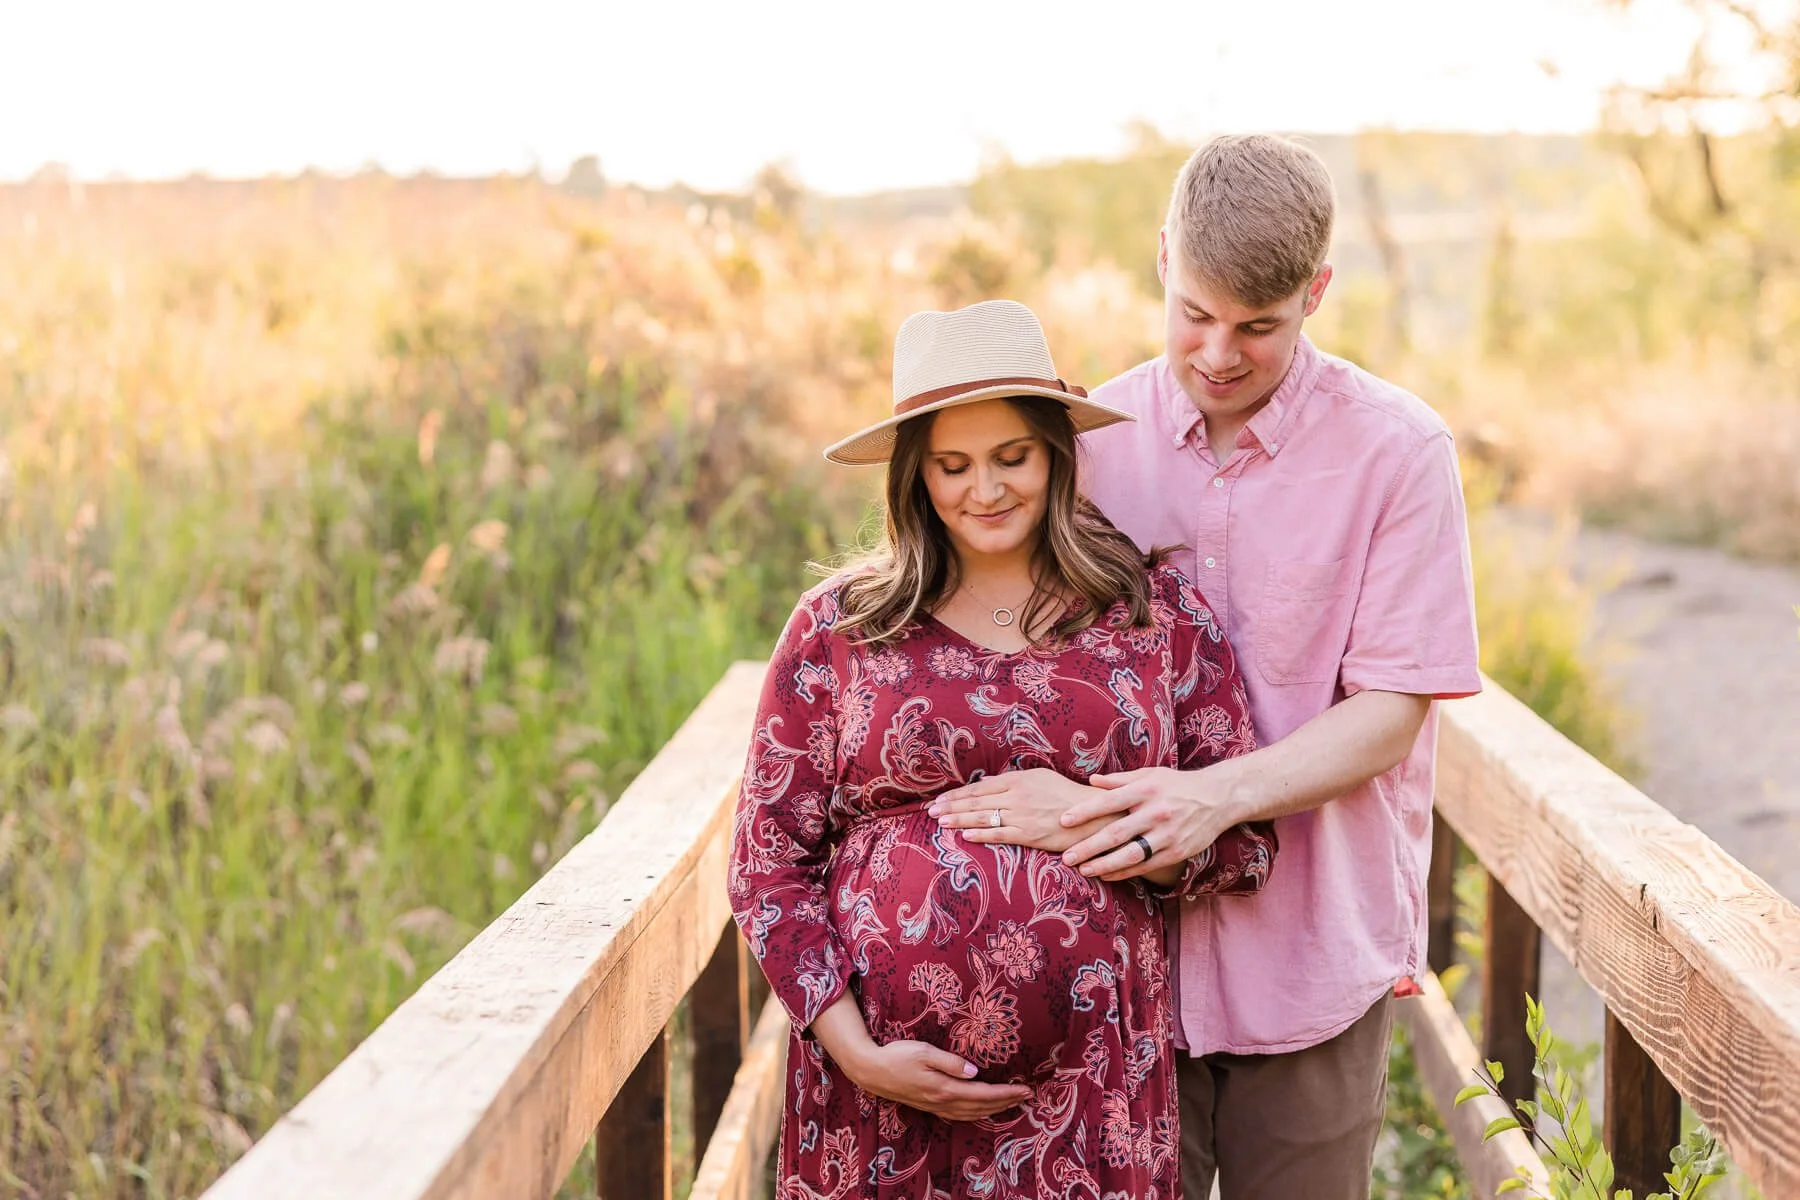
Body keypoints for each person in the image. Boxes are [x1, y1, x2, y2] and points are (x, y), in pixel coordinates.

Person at [931, 135, 1482, 1199]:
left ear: (1317, 293)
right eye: (1196, 313)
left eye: (1259, 327)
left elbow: (1391, 713)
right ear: (1161, 262)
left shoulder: (1401, 454)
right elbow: (1006, 670)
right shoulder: (1085, 448)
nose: (1219, 352)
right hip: (1111, 965)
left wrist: (1209, 801)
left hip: (1312, 958)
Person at [728, 298, 1277, 1199]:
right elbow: (767, 864)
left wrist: (1093, 823)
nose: (984, 490)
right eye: (953, 465)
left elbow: (1243, 841)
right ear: (916, 476)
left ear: (1056, 455)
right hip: (879, 1110)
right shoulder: (842, 626)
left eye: (1010, 458)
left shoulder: (1150, 614)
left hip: (1092, 1099)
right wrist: (854, 1050)